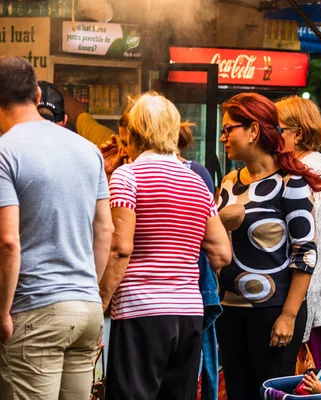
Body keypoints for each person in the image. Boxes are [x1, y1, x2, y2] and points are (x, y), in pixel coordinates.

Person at [98, 92, 231, 400]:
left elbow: (120, 250)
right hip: (187, 314)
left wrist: (99, 303)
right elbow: (222, 253)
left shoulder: (127, 176)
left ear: (133, 133)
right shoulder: (196, 181)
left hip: (139, 312)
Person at [0, 56, 113, 399]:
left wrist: (3, 310)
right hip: (86, 309)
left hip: (35, 310)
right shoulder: (87, 150)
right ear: (37, 95)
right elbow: (104, 230)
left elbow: (8, 242)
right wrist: (88, 291)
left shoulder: (5, 152)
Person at [216, 92, 321, 400]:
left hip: (273, 311)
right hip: (229, 310)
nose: (223, 137)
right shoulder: (228, 182)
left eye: (229, 129)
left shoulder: (291, 182)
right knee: (238, 393)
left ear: (253, 131)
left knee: (270, 395)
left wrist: (289, 316)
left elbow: (305, 254)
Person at [275, 95, 321, 367]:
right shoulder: (314, 166)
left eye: (278, 129)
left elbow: (305, 243)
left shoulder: (309, 171)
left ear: (299, 134)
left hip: (307, 302)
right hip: (314, 301)